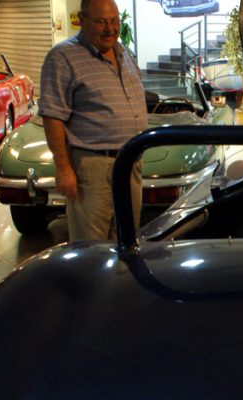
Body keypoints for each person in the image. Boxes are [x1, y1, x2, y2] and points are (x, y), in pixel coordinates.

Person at [38, 0, 147, 241]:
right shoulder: (63, 57)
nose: (110, 29)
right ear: (82, 20)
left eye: (114, 21)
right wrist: (63, 168)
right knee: (91, 245)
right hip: (93, 166)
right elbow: (52, 115)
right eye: (101, 22)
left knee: (127, 240)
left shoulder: (124, 53)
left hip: (130, 163)